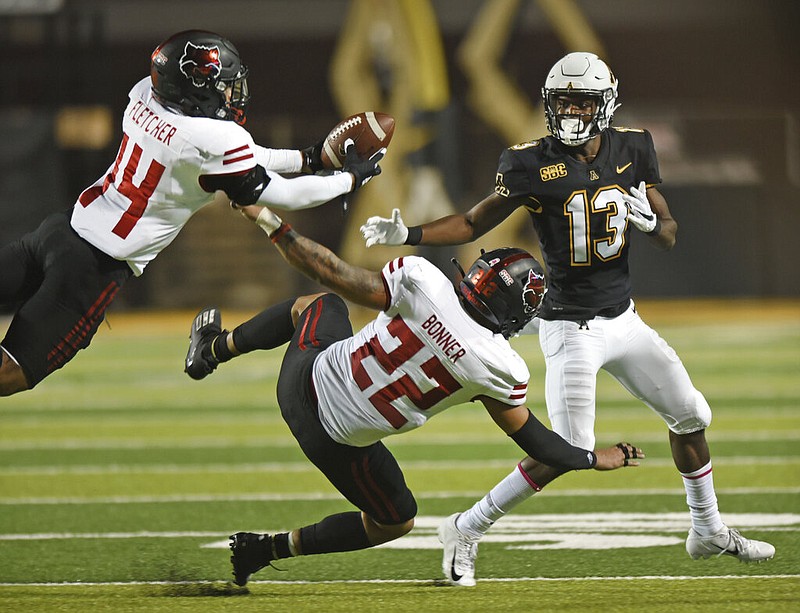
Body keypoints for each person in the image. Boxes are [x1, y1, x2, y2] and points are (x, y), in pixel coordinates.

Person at [359, 51, 775, 585]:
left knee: (692, 415)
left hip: (624, 320)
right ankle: (466, 525)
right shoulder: (531, 162)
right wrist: (409, 234)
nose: (571, 113)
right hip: (569, 326)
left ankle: (708, 528)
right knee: (566, 451)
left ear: (606, 104)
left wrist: (652, 223)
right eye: (562, 103)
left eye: (582, 102)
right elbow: (471, 221)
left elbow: (670, 231)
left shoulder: (633, 148)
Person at [183, 203, 643, 586]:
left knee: (318, 304)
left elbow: (329, 270)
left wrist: (270, 221)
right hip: (336, 443)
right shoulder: (500, 368)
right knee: (394, 520)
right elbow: (540, 444)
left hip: (301, 382)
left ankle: (214, 349)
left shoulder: (422, 279)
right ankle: (268, 548)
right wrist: (594, 458)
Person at [0, 30, 381, 397]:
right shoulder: (208, 142)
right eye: (223, 85)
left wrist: (308, 158)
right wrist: (347, 180)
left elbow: (244, 157)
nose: (232, 95)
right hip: (92, 267)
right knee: (12, 371)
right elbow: (284, 194)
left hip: (59, 230)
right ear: (196, 87)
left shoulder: (144, 95)